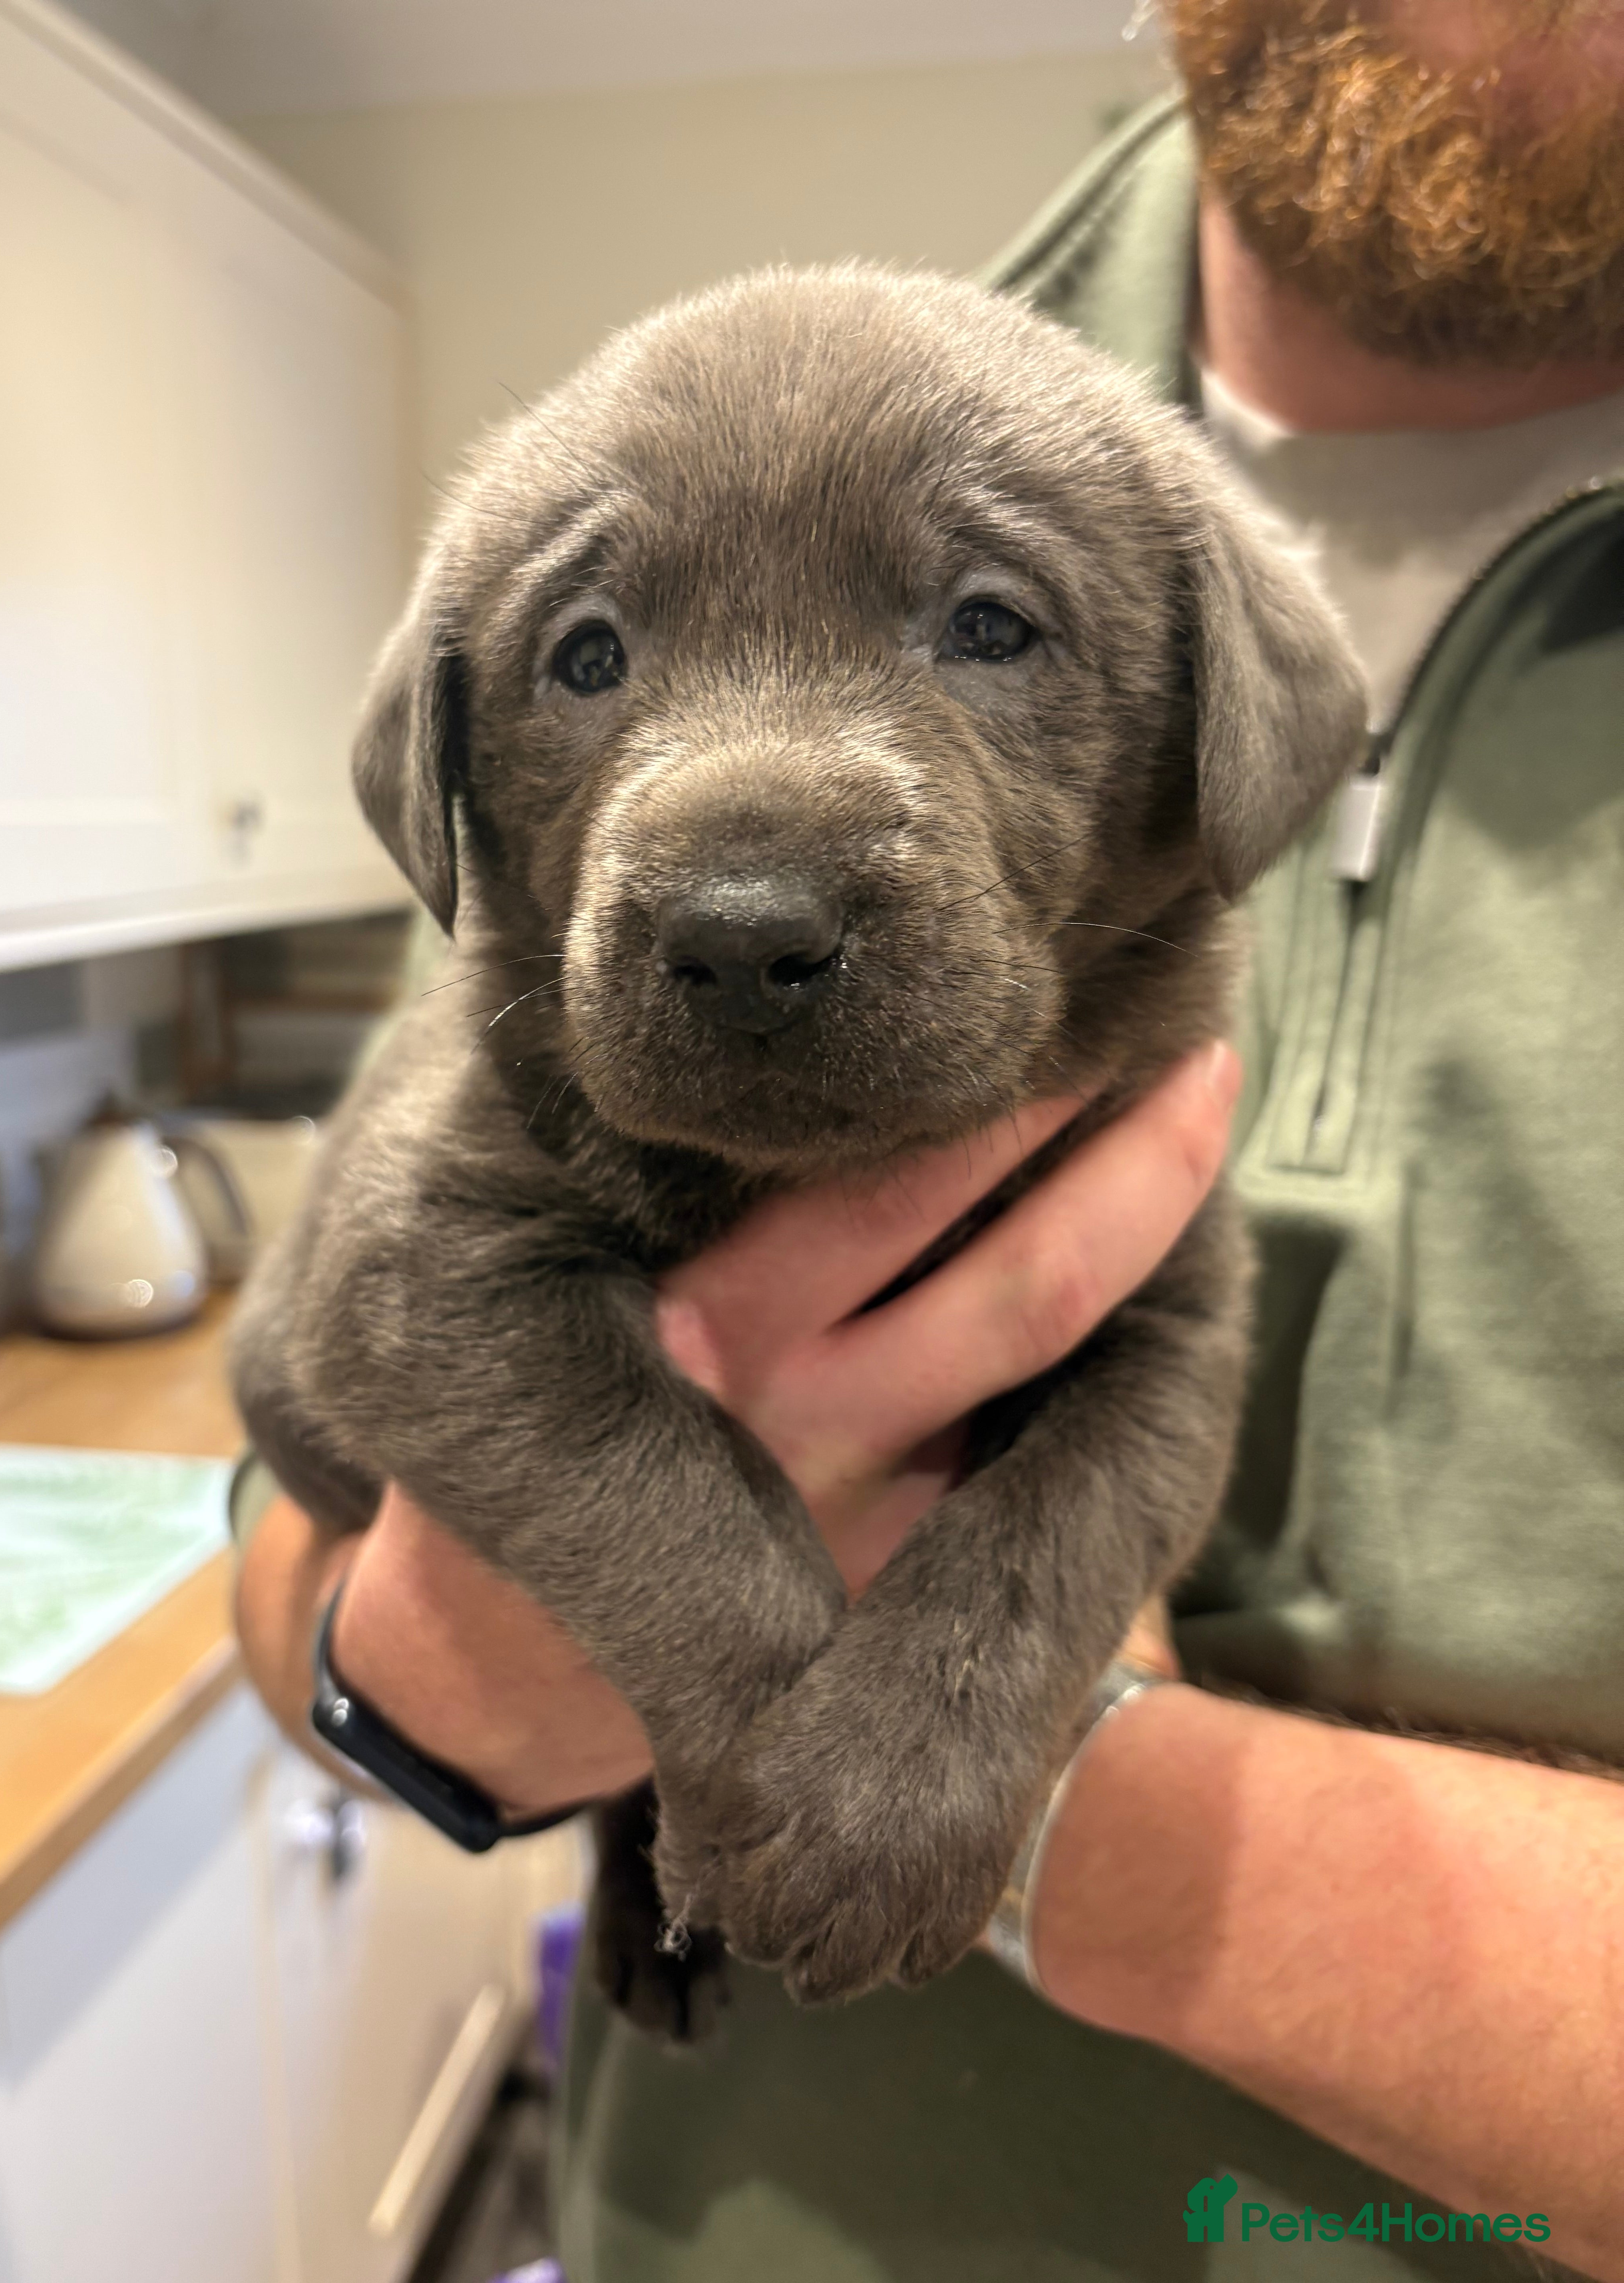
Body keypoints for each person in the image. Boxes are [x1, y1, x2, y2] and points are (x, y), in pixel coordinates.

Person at [232, 2, 1624, 2275]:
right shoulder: (759, 388)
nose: (752, 873)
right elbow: (329, 1471)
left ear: (1224, 755)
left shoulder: (1128, 515)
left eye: (991, 627)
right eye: (587, 659)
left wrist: (1032, 1786)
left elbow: (1143, 1363)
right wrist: (454, 1687)